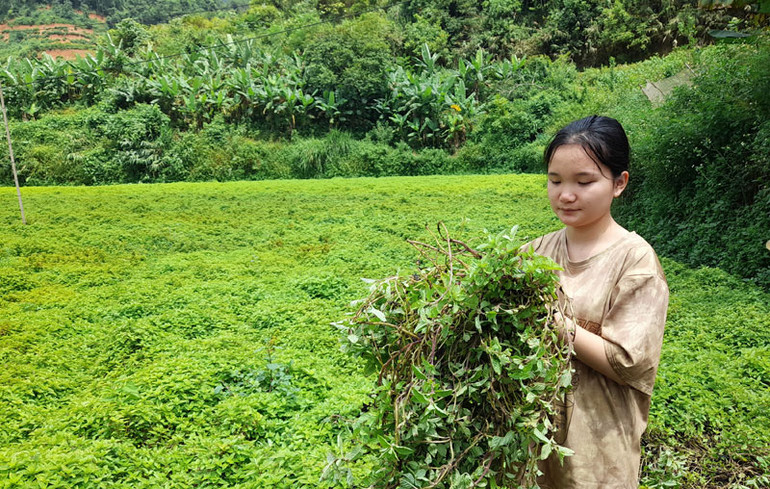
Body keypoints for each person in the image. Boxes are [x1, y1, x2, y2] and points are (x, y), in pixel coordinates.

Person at [527, 115, 669, 488]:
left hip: (598, 450)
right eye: (555, 181)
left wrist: (555, 323)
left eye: (584, 181)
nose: (565, 194)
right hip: (534, 443)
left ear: (618, 183)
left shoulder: (635, 262)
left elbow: (628, 362)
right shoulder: (535, 252)